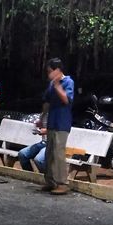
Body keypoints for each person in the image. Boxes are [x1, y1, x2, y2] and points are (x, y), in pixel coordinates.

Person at [39, 58, 74, 195]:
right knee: (49, 153)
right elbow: (47, 101)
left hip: (62, 122)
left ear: (57, 70)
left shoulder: (68, 82)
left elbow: (66, 99)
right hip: (52, 122)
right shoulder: (51, 85)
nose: (49, 74)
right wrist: (42, 118)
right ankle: (50, 181)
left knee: (59, 154)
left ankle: (62, 183)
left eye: (50, 71)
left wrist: (58, 85)